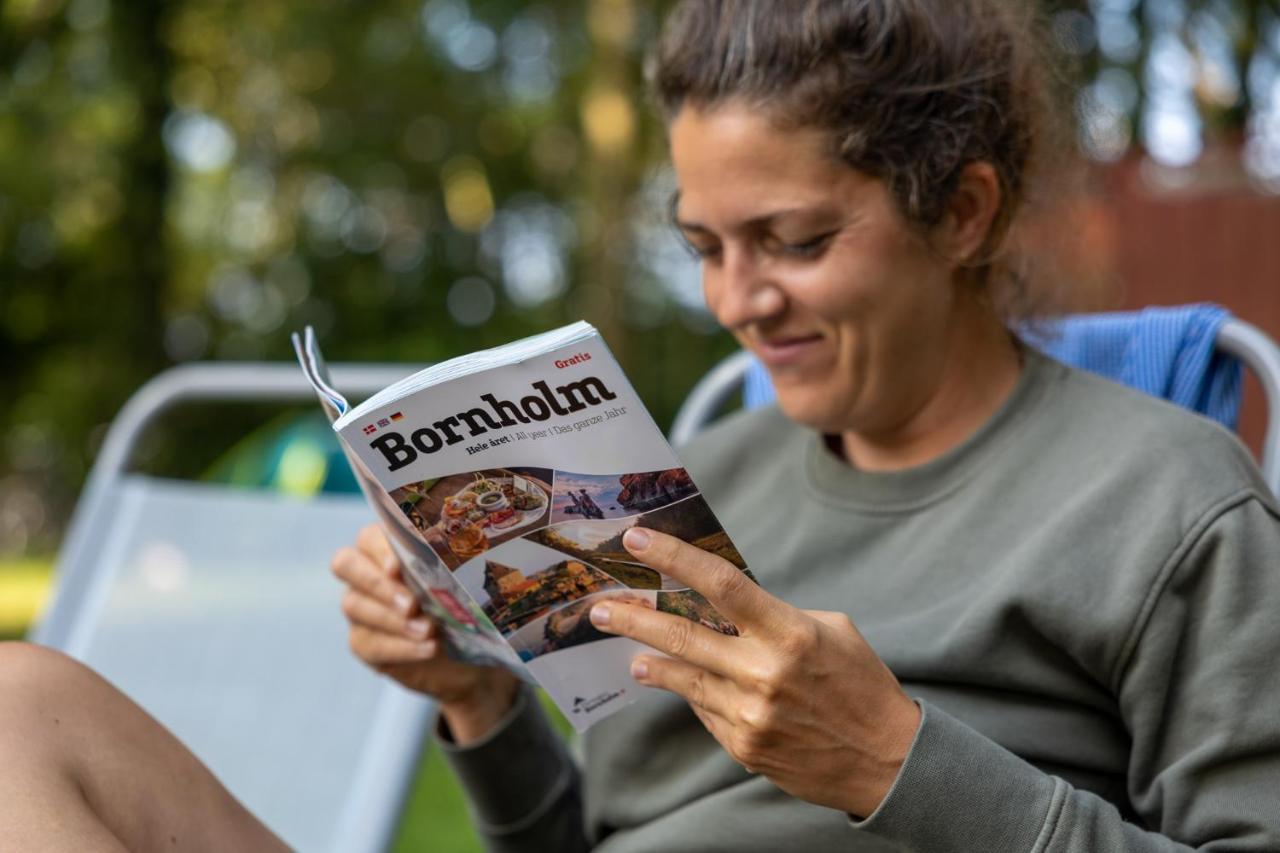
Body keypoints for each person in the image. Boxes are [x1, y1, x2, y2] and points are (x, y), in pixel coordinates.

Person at [2, 1, 1279, 850]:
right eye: (705, 248)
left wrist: (897, 761)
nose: (738, 302)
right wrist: (477, 703)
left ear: (962, 212)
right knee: (22, 705)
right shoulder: (693, 480)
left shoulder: (1165, 501)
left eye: (794, 242)